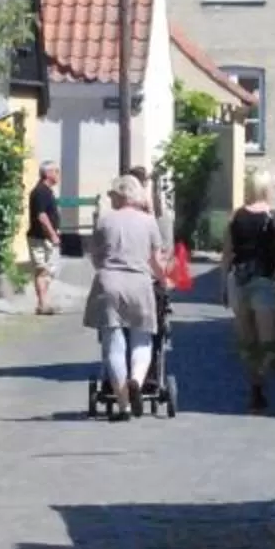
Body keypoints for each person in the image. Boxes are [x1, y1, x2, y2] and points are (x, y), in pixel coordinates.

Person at [86, 174, 167, 415]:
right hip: (140, 283)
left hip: (109, 282)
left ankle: (123, 404)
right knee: (142, 338)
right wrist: (164, 280)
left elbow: (96, 257)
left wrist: (106, 268)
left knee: (113, 344)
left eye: (113, 195)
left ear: (120, 196)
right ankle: (137, 381)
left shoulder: (104, 221)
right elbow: (155, 261)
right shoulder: (149, 222)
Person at [227, 171, 275, 412]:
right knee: (269, 343)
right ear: (267, 189)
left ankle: (255, 385)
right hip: (264, 281)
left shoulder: (236, 216)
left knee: (248, 342)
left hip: (239, 281)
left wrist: (223, 285)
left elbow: (227, 255)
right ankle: (259, 385)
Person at [26, 162, 64, 316]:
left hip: (46, 238)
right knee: (42, 271)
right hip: (39, 238)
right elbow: (41, 216)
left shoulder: (47, 191)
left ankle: (44, 303)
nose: (58, 174)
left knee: (48, 271)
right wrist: (53, 234)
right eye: (56, 171)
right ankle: (42, 304)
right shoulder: (41, 191)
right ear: (47, 173)